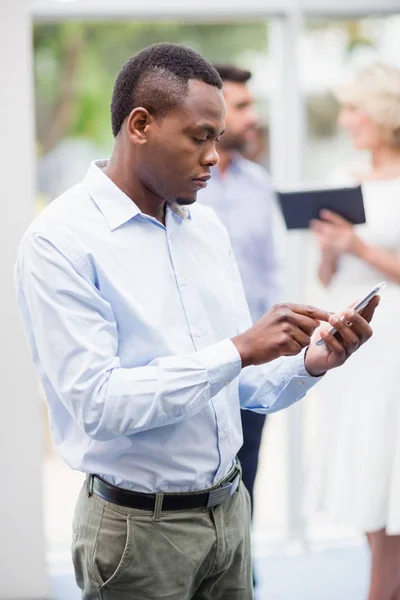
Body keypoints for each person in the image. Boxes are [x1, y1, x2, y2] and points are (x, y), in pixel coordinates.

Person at [15, 43, 377, 600]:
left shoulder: (205, 228)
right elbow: (99, 404)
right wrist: (238, 348)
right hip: (138, 533)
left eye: (217, 138)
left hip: (230, 516)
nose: (214, 156)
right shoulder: (59, 242)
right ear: (140, 125)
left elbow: (242, 385)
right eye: (199, 136)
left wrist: (311, 363)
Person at [307, 62, 400, 600]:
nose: (345, 121)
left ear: (383, 113)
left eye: (353, 109)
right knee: (366, 469)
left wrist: (360, 247)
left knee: (390, 466)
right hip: (354, 346)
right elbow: (326, 278)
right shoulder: (346, 177)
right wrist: (330, 250)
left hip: (395, 348)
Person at [198, 65, 283, 512]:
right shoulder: (181, 185)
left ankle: (241, 574)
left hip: (255, 361)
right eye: (243, 106)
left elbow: (270, 268)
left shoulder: (260, 183)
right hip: (201, 360)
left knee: (246, 477)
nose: (252, 117)